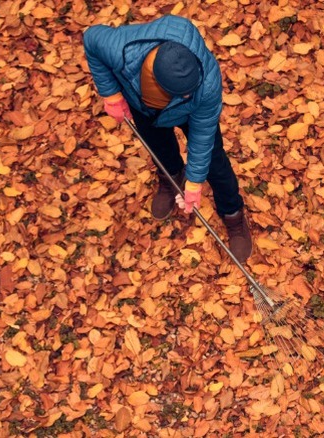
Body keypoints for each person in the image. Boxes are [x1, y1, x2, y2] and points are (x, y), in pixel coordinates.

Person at [83, 15, 252, 262]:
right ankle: (171, 176)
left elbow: (202, 136)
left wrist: (195, 183)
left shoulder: (207, 85)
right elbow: (90, 39)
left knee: (215, 164)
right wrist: (111, 94)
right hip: (143, 108)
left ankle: (233, 215)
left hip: (194, 113)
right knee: (159, 147)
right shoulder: (119, 49)